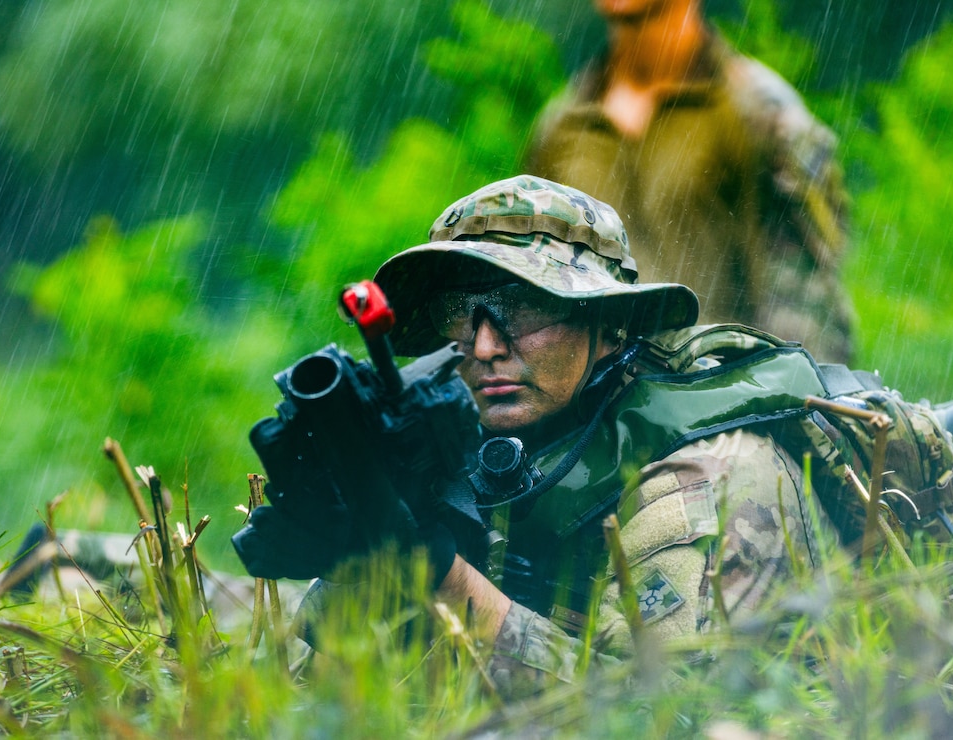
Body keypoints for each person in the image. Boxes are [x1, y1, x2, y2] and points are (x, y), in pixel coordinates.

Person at [235, 175, 847, 696]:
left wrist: (440, 573)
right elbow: (313, 700)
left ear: (608, 326)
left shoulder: (707, 474)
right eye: (459, 313)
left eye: (521, 308)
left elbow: (675, 720)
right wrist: (363, 557)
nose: (483, 345)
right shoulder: (464, 463)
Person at [526, 0, 856, 364]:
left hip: (721, 407)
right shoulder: (558, 131)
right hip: (589, 412)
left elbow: (809, 322)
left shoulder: (762, 118)